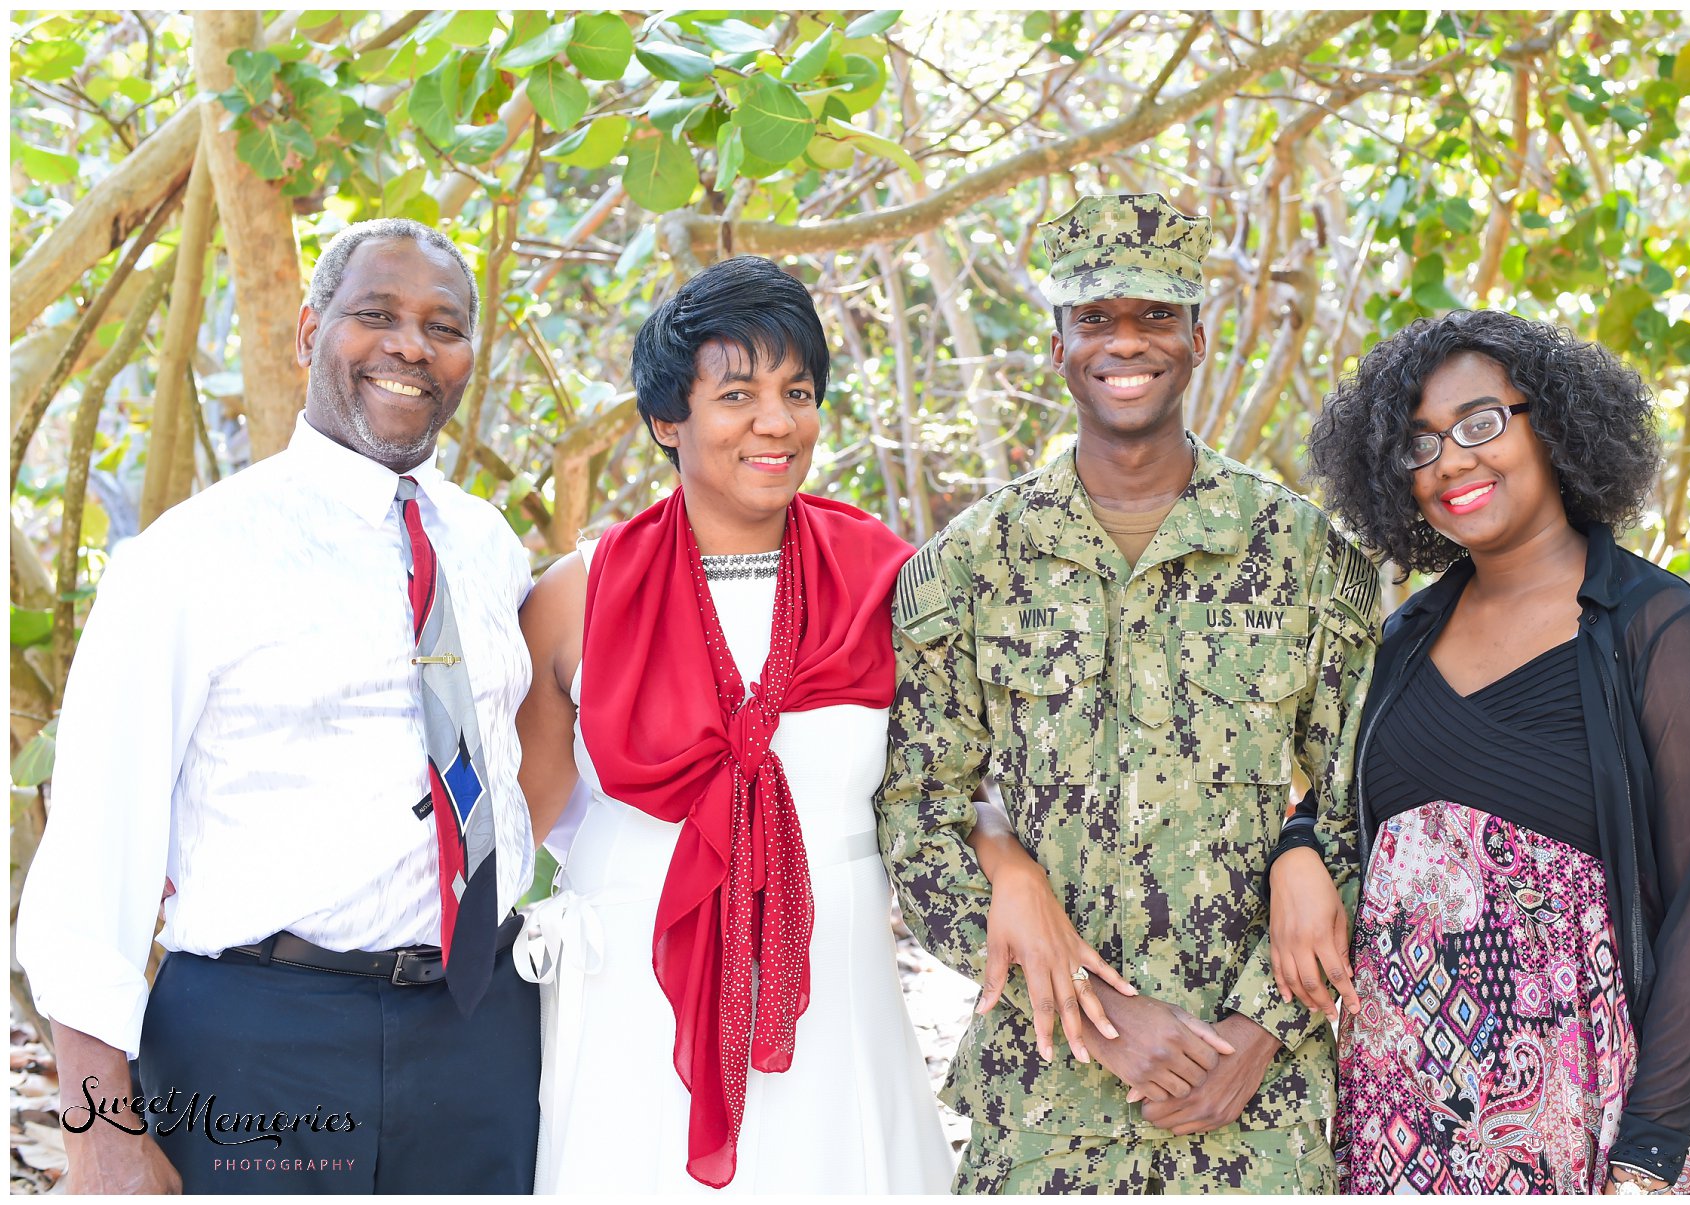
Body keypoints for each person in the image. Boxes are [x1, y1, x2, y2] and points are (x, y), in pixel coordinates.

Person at [514, 255, 1116, 1194]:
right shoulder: (576, 598)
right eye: (737, 393)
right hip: (633, 987)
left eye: (798, 391)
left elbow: (953, 783)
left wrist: (1014, 865)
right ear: (667, 419)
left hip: (833, 979)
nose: (776, 421)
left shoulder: (890, 580)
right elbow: (515, 824)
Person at [15, 218, 540, 1194]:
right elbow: (94, 859)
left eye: (445, 325)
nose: (411, 346)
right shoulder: (190, 557)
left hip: (482, 1035)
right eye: (374, 314)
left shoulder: (486, 543)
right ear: (308, 332)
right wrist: (100, 1138)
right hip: (261, 1038)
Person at [874, 193, 1382, 1193]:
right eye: (1095, 317)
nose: (1126, 343)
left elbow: (1372, 805)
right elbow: (915, 821)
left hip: (1256, 1117)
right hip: (1044, 1107)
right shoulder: (969, 564)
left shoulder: (1306, 555)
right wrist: (1107, 1026)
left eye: (1155, 314)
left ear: (1198, 334)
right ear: (1056, 341)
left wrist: (1257, 1030)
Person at [1272, 309, 1690, 1194]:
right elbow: (1333, 802)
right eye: (1419, 445)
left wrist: (1650, 1151)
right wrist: (1297, 850)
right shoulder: (1404, 640)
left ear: (1557, 425)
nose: (1451, 460)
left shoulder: (1661, 633)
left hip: (1575, 1126)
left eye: (1480, 423)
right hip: (1390, 1121)